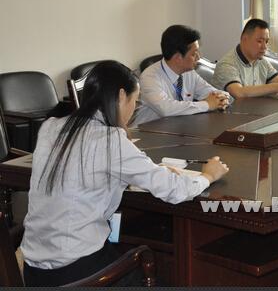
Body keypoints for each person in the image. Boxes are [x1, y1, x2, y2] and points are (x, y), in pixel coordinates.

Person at [19, 61, 229, 286]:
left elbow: (81, 175)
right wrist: (207, 176)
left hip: (33, 270)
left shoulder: (51, 127)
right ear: (121, 96)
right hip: (76, 271)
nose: (134, 109)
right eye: (135, 101)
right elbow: (175, 190)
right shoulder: (110, 140)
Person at [133, 25, 230, 125]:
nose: (199, 57)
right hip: (149, 131)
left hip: (180, 128)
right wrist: (207, 105)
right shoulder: (149, 77)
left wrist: (222, 98)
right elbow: (166, 109)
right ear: (178, 57)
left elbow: (212, 92)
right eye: (194, 54)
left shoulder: (189, 72)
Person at [212, 18, 278, 98]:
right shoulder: (227, 64)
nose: (264, 47)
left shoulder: (261, 61)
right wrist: (276, 87)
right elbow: (239, 93)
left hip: (256, 113)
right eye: (259, 41)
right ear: (244, 39)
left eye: (266, 41)